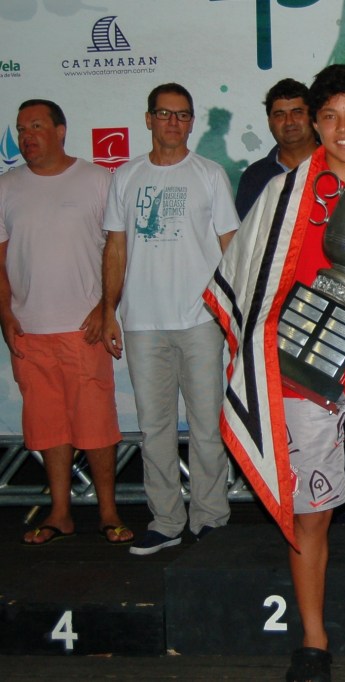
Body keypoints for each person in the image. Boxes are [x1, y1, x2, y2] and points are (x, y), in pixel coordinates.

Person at [212, 64, 345, 682]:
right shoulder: (283, 195)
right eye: (329, 115)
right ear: (312, 121)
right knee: (309, 511)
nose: (342, 128)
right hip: (300, 378)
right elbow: (247, 287)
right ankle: (313, 641)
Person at [100, 83, 238, 555]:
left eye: (182, 115)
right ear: (148, 119)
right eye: (164, 114)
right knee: (155, 427)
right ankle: (165, 520)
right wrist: (108, 310)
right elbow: (115, 247)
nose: (173, 123)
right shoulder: (126, 175)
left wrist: (236, 314)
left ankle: (211, 516)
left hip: (200, 320)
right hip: (141, 322)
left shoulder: (210, 175)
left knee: (205, 425)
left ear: (191, 122)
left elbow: (229, 248)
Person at [0, 100, 131, 546]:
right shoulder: (6, 187)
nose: (27, 135)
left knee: (95, 422)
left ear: (60, 130)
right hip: (29, 330)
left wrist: (105, 307)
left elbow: (116, 249)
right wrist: (4, 313)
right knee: (48, 424)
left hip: (84, 327)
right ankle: (60, 513)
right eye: (20, 129)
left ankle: (108, 511)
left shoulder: (97, 179)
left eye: (36, 126)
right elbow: (0, 260)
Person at [235, 78, 319, 221]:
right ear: (270, 122)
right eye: (279, 114)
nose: (289, 121)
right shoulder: (254, 177)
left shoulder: (336, 164)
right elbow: (244, 238)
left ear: (312, 117)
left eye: (297, 112)